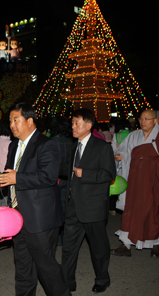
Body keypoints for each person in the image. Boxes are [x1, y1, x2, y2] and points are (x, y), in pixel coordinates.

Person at [0, 102, 70, 296]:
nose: (12, 124)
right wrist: (4, 181)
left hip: (39, 217)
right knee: (22, 266)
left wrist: (16, 177)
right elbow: (10, 171)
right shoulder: (13, 146)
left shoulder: (46, 144)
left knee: (46, 268)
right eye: (10, 120)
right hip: (17, 216)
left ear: (30, 121)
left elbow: (48, 176)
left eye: (16, 120)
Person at [61, 108, 115, 294]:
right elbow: (69, 172)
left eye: (77, 123)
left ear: (89, 125)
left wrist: (86, 174)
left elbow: (109, 174)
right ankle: (68, 281)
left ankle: (102, 279)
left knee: (98, 248)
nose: (73, 126)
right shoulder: (73, 146)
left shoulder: (102, 147)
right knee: (68, 248)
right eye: (72, 123)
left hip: (93, 206)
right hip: (73, 205)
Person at [111, 109, 159, 258]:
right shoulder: (133, 135)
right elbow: (124, 149)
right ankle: (126, 244)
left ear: (155, 121)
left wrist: (149, 160)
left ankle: (155, 245)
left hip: (154, 184)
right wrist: (121, 155)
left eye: (147, 119)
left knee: (154, 213)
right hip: (135, 181)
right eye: (141, 118)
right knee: (131, 212)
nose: (143, 121)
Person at [49, 116, 72, 245]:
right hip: (68, 180)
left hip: (52, 181)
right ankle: (65, 238)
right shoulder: (71, 143)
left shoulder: (48, 142)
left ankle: (55, 238)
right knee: (66, 210)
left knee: (53, 210)